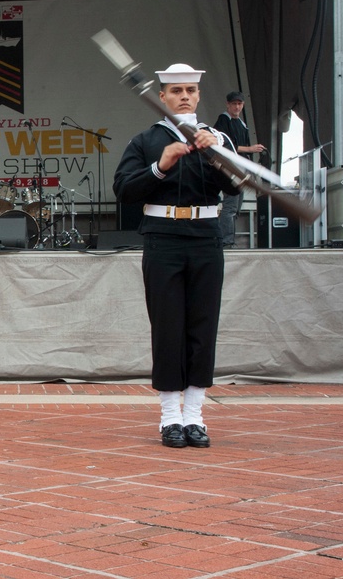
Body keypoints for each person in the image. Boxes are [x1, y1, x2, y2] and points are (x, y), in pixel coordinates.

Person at [112, 63, 240, 449]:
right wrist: (160, 166)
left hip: (204, 237)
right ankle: (170, 417)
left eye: (191, 90)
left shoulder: (216, 138)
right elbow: (125, 189)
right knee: (167, 326)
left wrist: (216, 155)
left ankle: (195, 417)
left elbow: (237, 183)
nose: (185, 96)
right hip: (163, 239)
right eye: (176, 91)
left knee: (202, 326)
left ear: (199, 95)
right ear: (163, 97)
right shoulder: (146, 141)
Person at [213, 91, 265, 247]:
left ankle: (229, 240)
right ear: (228, 104)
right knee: (230, 206)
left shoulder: (241, 124)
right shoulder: (223, 121)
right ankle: (226, 241)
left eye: (239, 104)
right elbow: (223, 146)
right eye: (234, 104)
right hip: (230, 168)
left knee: (236, 207)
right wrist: (249, 149)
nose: (237, 107)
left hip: (241, 169)